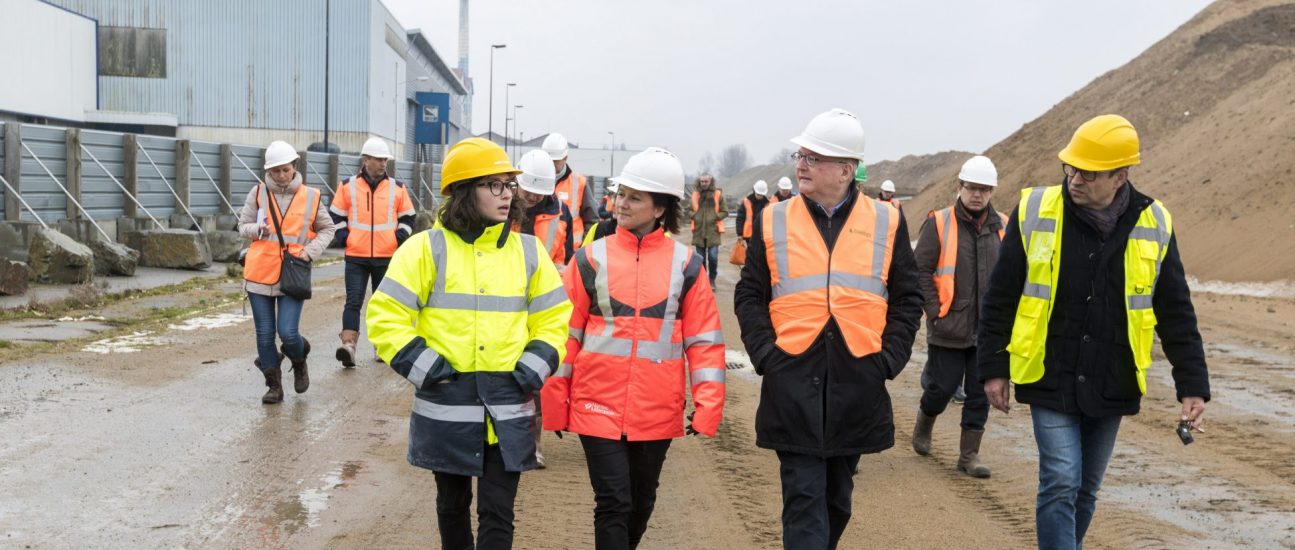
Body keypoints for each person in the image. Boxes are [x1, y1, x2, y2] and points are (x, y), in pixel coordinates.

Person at [978, 114, 1209, 549]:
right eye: (1071, 167)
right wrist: (993, 367)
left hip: (1112, 375)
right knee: (1062, 480)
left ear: (1121, 176)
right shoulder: (1035, 210)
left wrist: (1192, 385)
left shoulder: (1154, 221)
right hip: (1049, 371)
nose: (1075, 179)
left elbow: (1176, 309)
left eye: (1088, 171)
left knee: (1085, 489)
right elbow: (1001, 297)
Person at [366, 137, 572, 550]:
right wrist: (428, 369)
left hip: (508, 400)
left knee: (498, 511)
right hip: (447, 399)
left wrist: (535, 366)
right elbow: (385, 316)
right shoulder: (426, 249)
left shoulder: (529, 253)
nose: (506, 194)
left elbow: (554, 319)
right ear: (464, 191)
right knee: (452, 504)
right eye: (493, 185)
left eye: (507, 185)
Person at [735, 108, 922, 549]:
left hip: (857, 380)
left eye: (813, 158)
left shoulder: (887, 221)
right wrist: (767, 355)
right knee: (803, 501)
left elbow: (909, 297)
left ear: (845, 170)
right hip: (792, 379)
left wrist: (888, 359)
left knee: (837, 501)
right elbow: (749, 296)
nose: (800, 165)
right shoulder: (774, 219)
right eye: (801, 155)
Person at [544, 147, 725, 550]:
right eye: (620, 193)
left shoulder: (687, 265)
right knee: (613, 501)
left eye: (634, 197)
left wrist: (709, 405)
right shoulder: (590, 259)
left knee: (641, 503)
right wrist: (555, 400)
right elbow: (562, 335)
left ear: (661, 209)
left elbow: (705, 342)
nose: (620, 203)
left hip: (656, 407)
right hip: (596, 402)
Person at [910, 155, 1008, 478]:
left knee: (980, 395)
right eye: (971, 187)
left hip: (988, 331)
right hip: (949, 326)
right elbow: (920, 269)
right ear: (959, 187)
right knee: (941, 387)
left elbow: (1012, 275)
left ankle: (969, 456)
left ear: (992, 191)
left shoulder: (1004, 227)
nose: (977, 194)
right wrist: (934, 310)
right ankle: (925, 422)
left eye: (984, 189)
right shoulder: (939, 222)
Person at [238, 141, 335, 404]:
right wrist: (256, 231)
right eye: (276, 171)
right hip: (259, 272)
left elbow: (328, 229)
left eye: (286, 170)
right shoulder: (258, 193)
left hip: (293, 272)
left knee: (288, 333)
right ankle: (273, 385)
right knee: (265, 334)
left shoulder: (312, 196)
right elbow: (242, 225)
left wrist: (309, 252)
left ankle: (299, 358)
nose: (282, 175)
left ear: (295, 167)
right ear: (268, 171)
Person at [329, 137, 417, 367]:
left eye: (385, 159)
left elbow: (408, 217)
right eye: (378, 159)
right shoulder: (347, 186)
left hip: (387, 256)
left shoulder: (397, 188)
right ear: (365, 160)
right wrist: (344, 237)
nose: (383, 163)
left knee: (383, 302)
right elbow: (336, 214)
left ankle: (382, 346)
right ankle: (348, 346)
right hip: (356, 255)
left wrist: (398, 238)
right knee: (353, 301)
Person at [514, 149, 576, 270]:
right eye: (527, 191)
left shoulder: (561, 213)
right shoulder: (500, 209)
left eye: (538, 193)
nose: (532, 197)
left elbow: (564, 262)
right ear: (517, 181)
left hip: (546, 286)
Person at [543, 133, 600, 243]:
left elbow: (592, 220)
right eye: (548, 160)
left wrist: (583, 249)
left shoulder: (579, 183)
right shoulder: (537, 181)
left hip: (572, 253)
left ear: (565, 158)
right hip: (543, 251)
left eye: (555, 161)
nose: (551, 164)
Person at [689, 173, 727, 287]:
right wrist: (695, 216)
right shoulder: (695, 195)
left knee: (713, 257)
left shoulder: (717, 195)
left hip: (713, 231)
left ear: (710, 182)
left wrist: (715, 217)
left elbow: (725, 211)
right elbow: (689, 210)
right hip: (699, 231)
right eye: (702, 181)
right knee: (700, 259)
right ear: (699, 182)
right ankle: (704, 281)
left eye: (706, 181)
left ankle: (712, 279)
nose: (704, 183)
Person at [736, 179, 772, 246]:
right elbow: (740, 218)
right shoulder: (746, 202)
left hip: (763, 234)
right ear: (754, 191)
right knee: (751, 253)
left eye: (761, 195)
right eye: (758, 194)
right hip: (749, 234)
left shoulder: (767, 203)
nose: (760, 196)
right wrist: (739, 234)